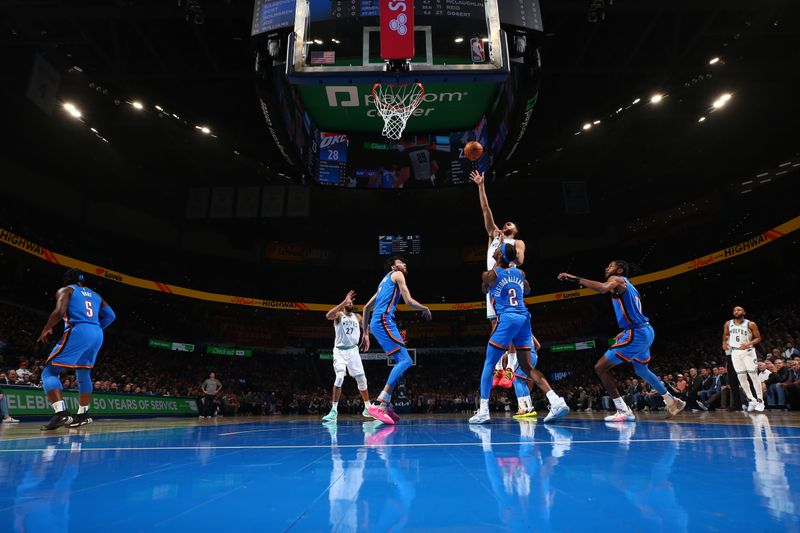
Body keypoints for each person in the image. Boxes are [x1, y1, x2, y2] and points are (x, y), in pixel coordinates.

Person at [557, 260, 685, 421]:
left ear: (619, 271)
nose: (606, 267)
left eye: (610, 266)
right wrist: (625, 330)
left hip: (637, 333)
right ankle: (672, 401)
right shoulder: (630, 287)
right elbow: (634, 313)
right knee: (641, 370)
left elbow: (603, 288)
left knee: (600, 368)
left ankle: (623, 410)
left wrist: (575, 278)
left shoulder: (617, 280)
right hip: (645, 330)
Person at [470, 244, 569, 424]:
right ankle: (556, 401)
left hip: (507, 318)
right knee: (527, 367)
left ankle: (483, 411)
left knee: (490, 363)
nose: (494, 249)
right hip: (524, 317)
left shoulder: (490, 274)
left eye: (497, 249)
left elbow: (484, 289)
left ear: (500, 255)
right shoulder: (520, 273)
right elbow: (528, 289)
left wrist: (497, 274)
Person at [470, 170, 533, 415]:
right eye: (505, 223)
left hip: (508, 284)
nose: (505, 224)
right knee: (495, 326)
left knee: (511, 327)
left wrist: (504, 252)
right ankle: (500, 366)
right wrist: (480, 186)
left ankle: (511, 365)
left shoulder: (516, 243)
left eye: (510, 224)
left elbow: (519, 261)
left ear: (515, 230)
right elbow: (486, 211)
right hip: (493, 285)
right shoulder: (493, 236)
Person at [36, 268, 116, 430]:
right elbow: (111, 316)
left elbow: (59, 311)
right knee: (83, 372)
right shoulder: (96, 295)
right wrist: (96, 328)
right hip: (97, 333)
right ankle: (83, 414)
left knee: (49, 372)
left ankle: (61, 413)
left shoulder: (67, 290)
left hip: (79, 330)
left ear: (67, 280)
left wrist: (46, 328)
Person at [361, 256, 431, 425]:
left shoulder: (383, 283)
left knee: (402, 360)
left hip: (379, 323)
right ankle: (379, 403)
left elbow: (365, 308)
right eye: (400, 262)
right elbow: (408, 301)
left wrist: (365, 334)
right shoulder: (397, 274)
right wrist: (425, 307)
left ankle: (385, 404)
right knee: (406, 360)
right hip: (384, 320)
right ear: (393, 267)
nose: (404, 264)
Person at [322, 290, 373, 421]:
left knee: (362, 379)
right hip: (340, 351)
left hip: (353, 351)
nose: (350, 303)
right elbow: (328, 315)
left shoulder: (357, 317)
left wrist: (367, 335)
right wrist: (342, 302)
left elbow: (368, 328)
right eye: (348, 302)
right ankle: (333, 411)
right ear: (344, 304)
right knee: (339, 377)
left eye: (351, 302)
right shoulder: (339, 315)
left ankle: (368, 408)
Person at [722, 306, 765, 411]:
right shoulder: (728, 323)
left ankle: (760, 401)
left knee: (753, 376)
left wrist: (749, 343)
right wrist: (724, 343)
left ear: (744, 312)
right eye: (735, 310)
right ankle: (752, 400)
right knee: (741, 377)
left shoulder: (750, 324)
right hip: (735, 352)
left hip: (748, 352)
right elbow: (726, 335)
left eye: (739, 310)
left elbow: (758, 338)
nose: (736, 311)